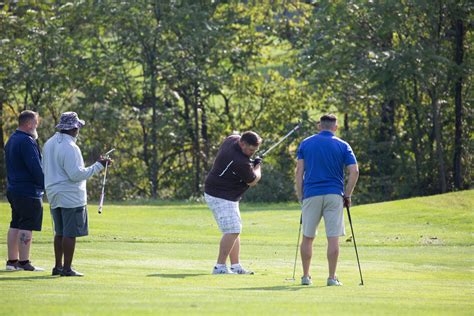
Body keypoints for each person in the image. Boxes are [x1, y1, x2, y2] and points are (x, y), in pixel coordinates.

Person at [43, 112, 111, 277]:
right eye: (78, 127)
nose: (78, 130)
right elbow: (76, 175)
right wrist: (99, 165)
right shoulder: (71, 147)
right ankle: (67, 268)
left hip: (53, 191)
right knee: (70, 233)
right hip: (70, 194)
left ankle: (58, 266)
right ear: (74, 128)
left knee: (59, 231)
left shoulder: (49, 143)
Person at [295, 114, 359, 286]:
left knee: (308, 237)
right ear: (335, 128)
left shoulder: (306, 143)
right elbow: (355, 172)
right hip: (334, 194)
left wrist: (301, 195)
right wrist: (347, 194)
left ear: (319, 126)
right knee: (333, 238)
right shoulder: (343, 145)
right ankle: (331, 277)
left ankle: (306, 276)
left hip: (311, 194)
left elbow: (299, 171)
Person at [204, 131, 262, 274]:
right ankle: (220, 267)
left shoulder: (232, 139)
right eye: (249, 150)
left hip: (223, 193)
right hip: (220, 195)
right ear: (242, 143)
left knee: (234, 230)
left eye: (254, 151)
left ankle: (235, 266)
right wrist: (257, 166)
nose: (251, 153)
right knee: (232, 230)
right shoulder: (239, 161)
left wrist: (250, 161)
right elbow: (253, 180)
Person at [4, 110, 45, 271]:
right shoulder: (27, 141)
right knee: (26, 225)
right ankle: (24, 262)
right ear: (28, 124)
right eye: (35, 123)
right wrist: (44, 184)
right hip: (28, 191)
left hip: (14, 189)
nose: (36, 126)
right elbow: (35, 167)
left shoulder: (11, 139)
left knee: (15, 223)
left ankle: (12, 262)